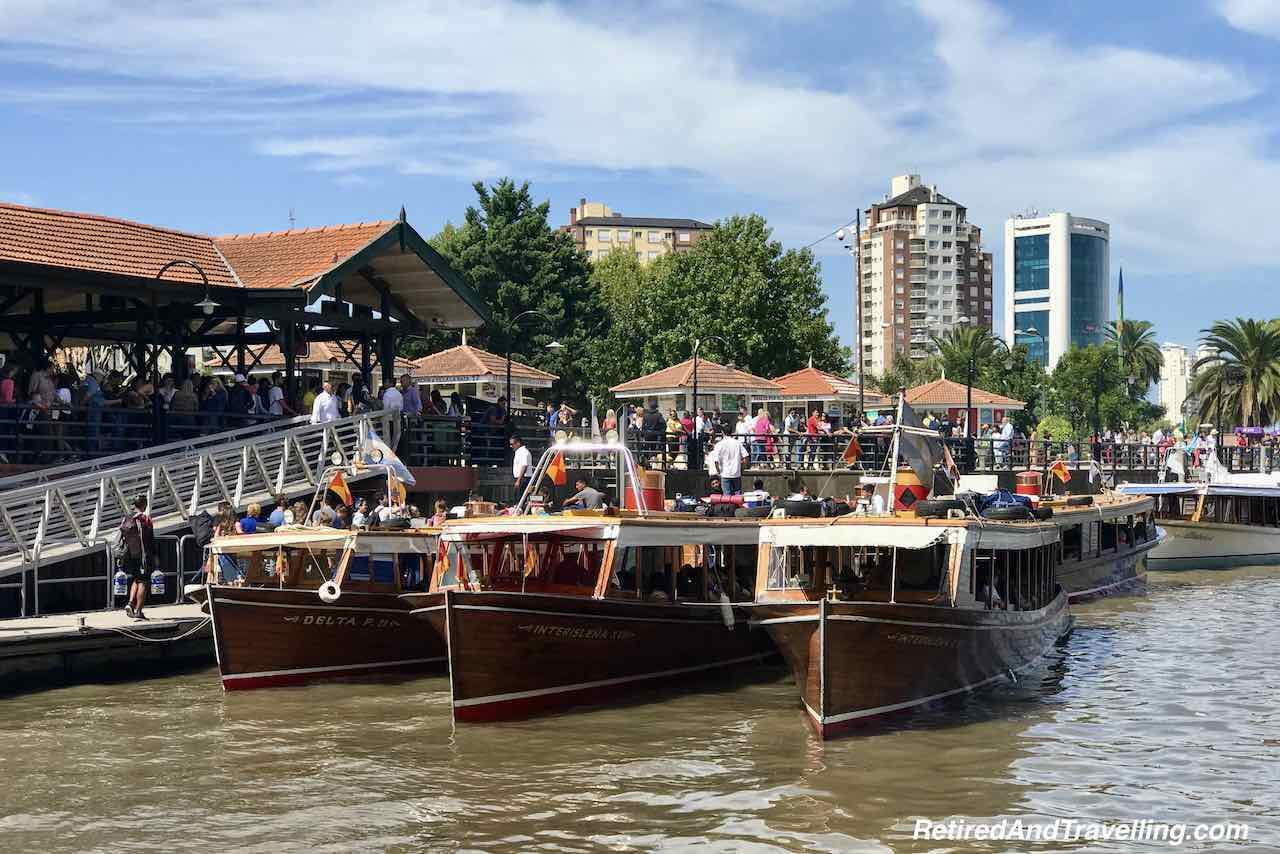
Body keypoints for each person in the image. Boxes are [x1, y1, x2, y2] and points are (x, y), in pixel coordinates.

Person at [117, 494, 156, 620]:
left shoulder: (127, 518)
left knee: (135, 580)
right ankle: (139, 611)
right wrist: (155, 556)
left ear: (134, 505)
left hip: (130, 555)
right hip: (143, 556)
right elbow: (150, 539)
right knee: (143, 582)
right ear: (144, 504)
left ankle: (130, 604)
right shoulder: (146, 519)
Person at [708, 430, 748, 494]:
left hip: (725, 474)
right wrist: (742, 469)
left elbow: (716, 461)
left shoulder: (719, 444)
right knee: (737, 496)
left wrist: (719, 472)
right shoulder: (737, 443)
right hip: (736, 473)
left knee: (727, 496)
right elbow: (745, 457)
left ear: (722, 432)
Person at [382, 379, 405, 449]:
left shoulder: (387, 394)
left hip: (389, 419)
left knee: (389, 439)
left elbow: (385, 408)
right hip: (398, 418)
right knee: (397, 438)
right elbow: (401, 407)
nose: (384, 383)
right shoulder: (399, 394)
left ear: (390, 383)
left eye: (386, 382)